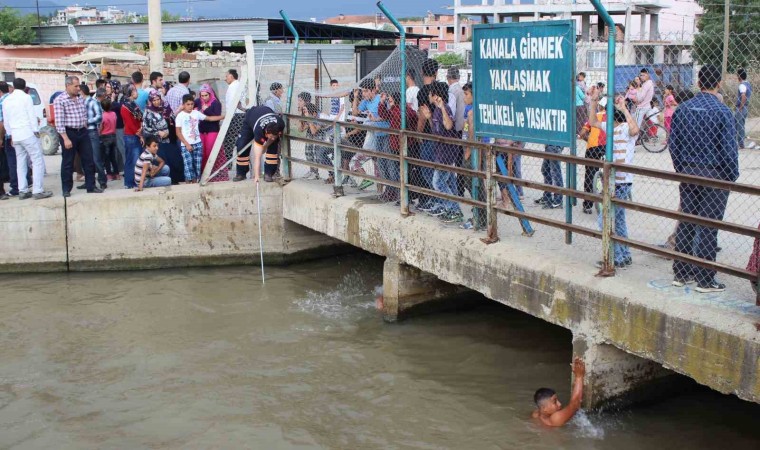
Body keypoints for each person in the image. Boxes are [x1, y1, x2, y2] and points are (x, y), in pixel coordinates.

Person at [670, 65, 738, 293]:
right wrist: (731, 175)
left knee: (687, 221)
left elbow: (674, 144)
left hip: (688, 171)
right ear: (718, 83)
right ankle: (705, 278)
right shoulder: (722, 111)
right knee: (709, 226)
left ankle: (681, 272)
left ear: (699, 83)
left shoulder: (683, 109)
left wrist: (681, 168)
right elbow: (728, 150)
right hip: (714, 174)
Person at [589, 87, 639, 270]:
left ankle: (616, 256)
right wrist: (593, 101)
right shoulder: (610, 128)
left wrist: (625, 109)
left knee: (604, 220)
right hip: (612, 182)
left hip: (622, 182)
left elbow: (635, 130)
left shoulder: (625, 128)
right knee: (618, 220)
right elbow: (592, 121)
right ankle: (624, 255)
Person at [1, 78, 52, 200]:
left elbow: (6, 121)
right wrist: (36, 131)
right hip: (27, 133)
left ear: (13, 86)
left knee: (20, 163)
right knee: (37, 160)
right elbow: (31, 115)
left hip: (15, 135)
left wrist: (11, 134)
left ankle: (22, 190)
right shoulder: (26, 97)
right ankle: (37, 190)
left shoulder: (7, 100)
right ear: (24, 87)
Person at [53, 76, 101, 196]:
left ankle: (91, 185)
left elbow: (84, 114)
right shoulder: (60, 100)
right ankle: (66, 189)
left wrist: (84, 124)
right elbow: (59, 122)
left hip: (82, 132)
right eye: (75, 86)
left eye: (78, 86)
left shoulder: (79, 99)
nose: (78, 88)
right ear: (67, 86)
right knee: (68, 162)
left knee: (88, 159)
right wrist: (65, 138)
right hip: (69, 133)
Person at [424, 81, 463, 223]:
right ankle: (454, 210)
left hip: (446, 153)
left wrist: (442, 108)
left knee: (438, 183)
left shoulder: (444, 108)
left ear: (436, 96)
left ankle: (453, 209)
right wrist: (429, 118)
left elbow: (448, 125)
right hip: (440, 151)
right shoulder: (435, 111)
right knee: (450, 182)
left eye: (430, 93)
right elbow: (436, 129)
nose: (429, 95)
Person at [378, 91, 417, 203]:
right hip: (396, 145)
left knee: (405, 172)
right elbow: (384, 115)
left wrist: (389, 106)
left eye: (390, 100)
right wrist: (382, 103)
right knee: (398, 170)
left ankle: (405, 197)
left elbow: (395, 116)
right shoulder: (396, 110)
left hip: (406, 145)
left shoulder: (403, 111)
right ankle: (402, 195)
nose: (389, 102)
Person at [176, 94, 224, 183]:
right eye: (188, 104)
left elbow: (209, 118)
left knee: (197, 166)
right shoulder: (180, 116)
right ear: (183, 105)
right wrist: (186, 144)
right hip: (186, 145)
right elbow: (178, 132)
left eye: (192, 104)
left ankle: (195, 184)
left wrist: (223, 116)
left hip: (197, 144)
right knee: (188, 166)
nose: (190, 106)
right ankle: (189, 185)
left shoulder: (196, 113)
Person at [234, 105, 285, 183]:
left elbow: (273, 138)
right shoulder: (259, 131)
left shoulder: (280, 124)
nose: (272, 138)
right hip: (251, 116)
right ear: (266, 133)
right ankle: (241, 173)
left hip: (266, 110)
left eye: (274, 136)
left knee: (273, 146)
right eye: (270, 136)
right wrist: (256, 176)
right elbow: (257, 157)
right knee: (242, 144)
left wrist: (267, 144)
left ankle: (269, 173)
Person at [142, 90, 183, 184]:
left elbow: (172, 117)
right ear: (150, 101)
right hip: (157, 142)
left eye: (158, 99)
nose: (156, 102)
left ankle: (175, 180)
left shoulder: (165, 108)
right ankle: (164, 180)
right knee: (163, 161)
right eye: (154, 100)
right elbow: (146, 129)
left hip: (169, 140)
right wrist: (158, 133)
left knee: (174, 160)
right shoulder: (148, 112)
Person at [531, 358, 585, 427]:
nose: (560, 404)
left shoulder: (535, 414)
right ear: (544, 408)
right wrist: (579, 376)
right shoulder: (556, 419)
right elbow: (575, 405)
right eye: (554, 401)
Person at [579, 97, 607, 214]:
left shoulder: (594, 117)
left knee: (589, 174)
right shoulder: (614, 117)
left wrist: (589, 140)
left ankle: (588, 205)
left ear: (600, 106)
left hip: (593, 148)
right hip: (607, 147)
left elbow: (582, 134)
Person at [195, 84, 228, 181]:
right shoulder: (198, 102)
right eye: (202, 95)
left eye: (206, 95)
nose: (204, 98)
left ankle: (212, 174)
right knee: (202, 153)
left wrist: (207, 110)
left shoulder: (216, 103)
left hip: (212, 130)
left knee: (210, 153)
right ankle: (203, 175)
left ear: (210, 94)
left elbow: (216, 117)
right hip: (201, 130)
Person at [82, 85, 108, 190]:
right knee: (86, 159)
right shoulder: (80, 103)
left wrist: (87, 122)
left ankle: (102, 180)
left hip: (92, 132)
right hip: (84, 133)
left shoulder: (93, 102)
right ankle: (89, 181)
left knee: (96, 158)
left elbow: (99, 117)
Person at [120, 84, 144, 189]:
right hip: (131, 136)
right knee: (133, 160)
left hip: (135, 134)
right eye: (134, 90)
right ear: (130, 92)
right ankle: (131, 182)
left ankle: (131, 182)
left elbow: (140, 119)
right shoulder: (126, 107)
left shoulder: (133, 104)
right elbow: (130, 124)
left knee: (133, 159)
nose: (136, 92)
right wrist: (140, 135)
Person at [0, 81, 19, 198]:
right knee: (19, 161)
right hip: (19, 134)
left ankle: (15, 186)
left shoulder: (2, 102)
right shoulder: (15, 99)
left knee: (11, 162)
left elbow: (1, 123)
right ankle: (23, 184)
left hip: (8, 136)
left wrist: (0, 138)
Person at [535, 145, 564, 209]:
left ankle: (558, 200)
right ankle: (547, 197)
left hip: (555, 146)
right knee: (545, 170)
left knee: (555, 172)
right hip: (549, 145)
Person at [99, 97, 120, 181]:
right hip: (113, 135)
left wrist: (99, 132)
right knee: (113, 156)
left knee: (106, 157)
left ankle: (109, 174)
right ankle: (117, 173)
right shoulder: (114, 114)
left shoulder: (103, 116)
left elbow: (101, 127)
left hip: (105, 137)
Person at [735, 68, 755, 149]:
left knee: (738, 125)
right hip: (746, 107)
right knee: (741, 125)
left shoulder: (742, 85)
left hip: (741, 107)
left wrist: (740, 107)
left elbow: (743, 96)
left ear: (739, 76)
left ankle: (740, 143)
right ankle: (740, 142)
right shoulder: (748, 84)